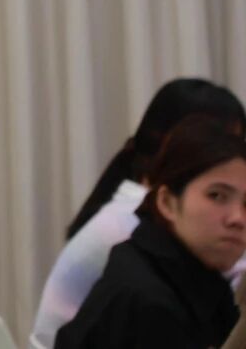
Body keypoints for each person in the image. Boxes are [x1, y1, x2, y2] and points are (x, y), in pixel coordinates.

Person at [32, 78, 246, 342]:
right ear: (166, 202)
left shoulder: (172, 256)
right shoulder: (148, 288)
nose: (238, 218)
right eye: (216, 196)